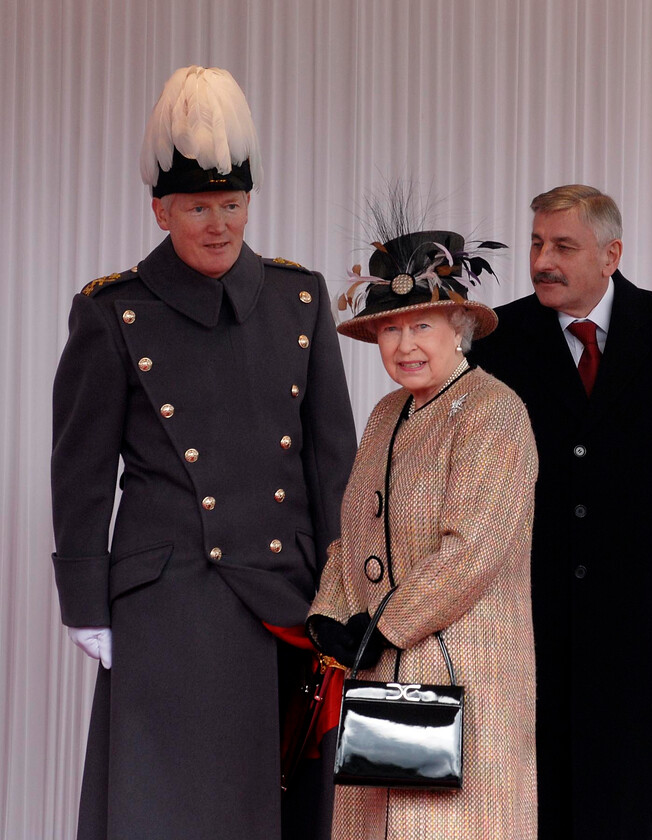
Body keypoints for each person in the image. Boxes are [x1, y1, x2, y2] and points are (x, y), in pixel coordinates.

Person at [50, 65, 356, 840]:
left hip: (288, 601)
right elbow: (81, 469)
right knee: (174, 809)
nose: (218, 223)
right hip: (170, 604)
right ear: (161, 209)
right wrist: (88, 601)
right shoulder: (112, 311)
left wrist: (348, 589)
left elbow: (332, 461)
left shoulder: (300, 298)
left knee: (283, 807)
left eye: (231, 203)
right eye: (197, 207)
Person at [468, 184, 652, 840]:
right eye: (535, 243)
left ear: (610, 254)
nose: (541, 261)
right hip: (525, 619)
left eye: (562, 246)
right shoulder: (497, 341)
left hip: (637, 623)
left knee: (626, 801)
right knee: (534, 802)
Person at [306, 215, 538, 839]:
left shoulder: (495, 412)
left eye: (421, 326)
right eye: (389, 330)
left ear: (458, 330)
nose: (404, 344)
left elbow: (471, 553)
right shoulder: (386, 412)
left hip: (465, 672)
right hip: (383, 678)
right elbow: (352, 530)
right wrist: (330, 611)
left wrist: (382, 626)